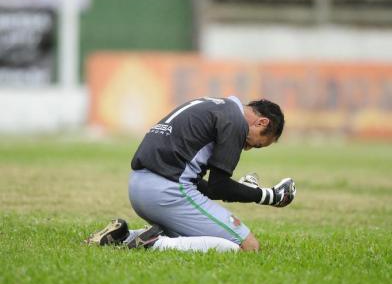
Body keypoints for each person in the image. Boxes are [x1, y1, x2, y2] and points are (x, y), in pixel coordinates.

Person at [86, 96, 296, 252]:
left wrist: (246, 191)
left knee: (196, 238)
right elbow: (219, 186)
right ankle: (154, 244)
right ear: (262, 122)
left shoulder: (214, 105)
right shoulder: (235, 122)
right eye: (255, 144)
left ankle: (123, 236)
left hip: (138, 186)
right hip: (166, 193)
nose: (247, 148)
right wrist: (268, 196)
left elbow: (201, 184)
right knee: (248, 246)